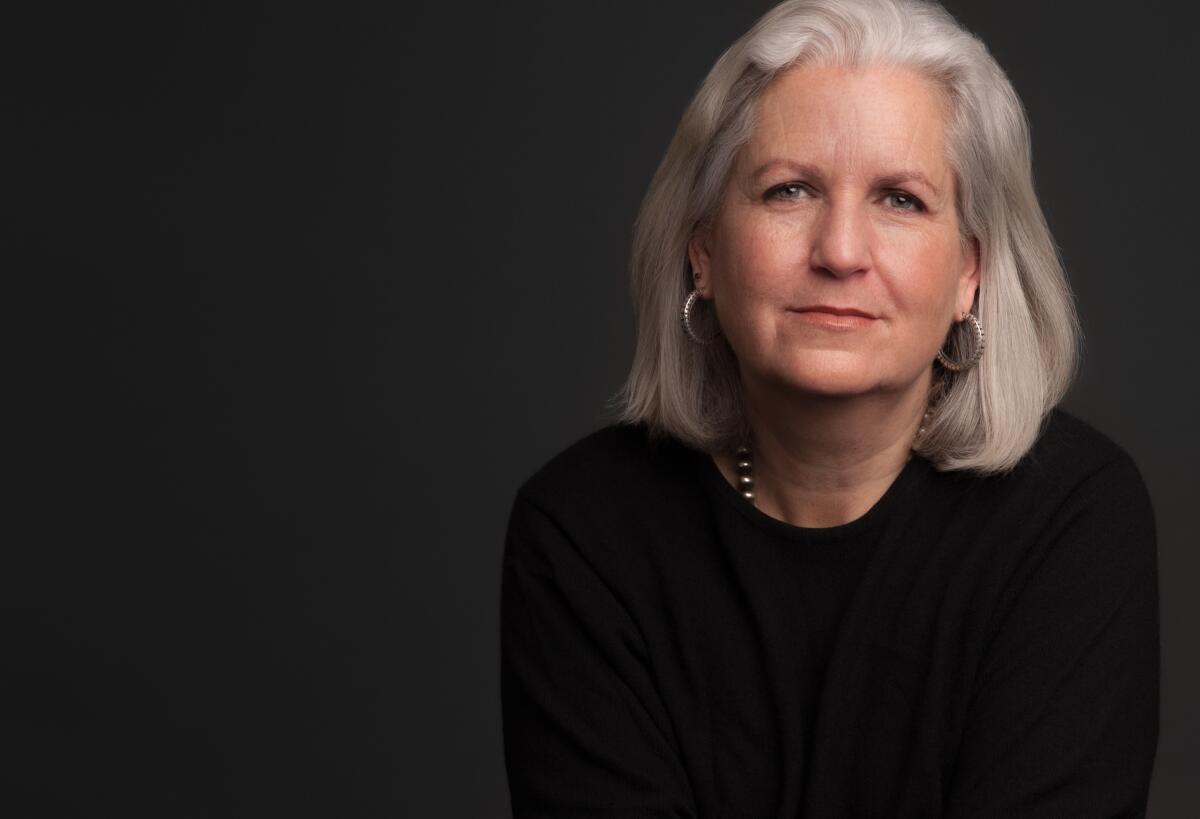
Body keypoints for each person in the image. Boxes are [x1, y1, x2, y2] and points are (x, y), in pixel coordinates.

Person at [499, 0, 1160, 815]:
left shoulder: (1072, 520)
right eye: (790, 190)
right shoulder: (583, 534)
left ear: (969, 273)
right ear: (703, 252)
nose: (840, 250)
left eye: (901, 200)